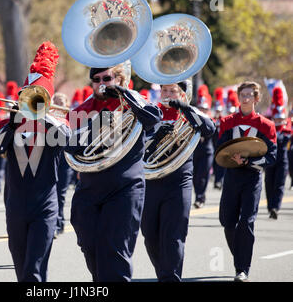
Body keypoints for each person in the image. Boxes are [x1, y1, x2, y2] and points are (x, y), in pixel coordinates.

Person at [64, 64, 162, 282]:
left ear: (117, 79)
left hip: (125, 188)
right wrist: (98, 127)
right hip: (90, 188)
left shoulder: (132, 102)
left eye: (106, 78)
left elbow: (153, 119)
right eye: (96, 80)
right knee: (90, 247)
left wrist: (125, 94)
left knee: (116, 250)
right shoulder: (82, 110)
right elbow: (70, 145)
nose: (101, 84)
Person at [0, 42, 70, 282]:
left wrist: (44, 115)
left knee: (34, 271)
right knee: (22, 271)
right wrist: (11, 124)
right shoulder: (10, 125)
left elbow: (67, 139)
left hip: (44, 207)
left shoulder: (57, 124)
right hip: (16, 206)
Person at [140, 80, 215, 282]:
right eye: (164, 90)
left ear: (182, 93)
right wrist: (155, 138)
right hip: (151, 180)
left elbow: (209, 129)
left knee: (173, 235)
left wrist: (184, 108)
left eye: (173, 91)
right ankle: (165, 273)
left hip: (178, 181)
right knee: (150, 235)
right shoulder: (151, 112)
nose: (167, 94)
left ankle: (170, 277)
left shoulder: (189, 113)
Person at [217, 81, 277, 282]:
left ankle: (242, 268)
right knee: (227, 222)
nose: (245, 98)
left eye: (250, 95)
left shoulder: (266, 125)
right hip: (231, 177)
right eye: (242, 94)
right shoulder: (226, 122)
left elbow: (272, 156)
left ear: (256, 98)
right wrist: (231, 158)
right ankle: (241, 256)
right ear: (238, 96)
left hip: (252, 177)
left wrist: (249, 161)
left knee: (246, 221)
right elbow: (219, 150)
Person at [264, 87, 291, 220]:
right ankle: (270, 206)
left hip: (283, 161)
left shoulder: (287, 130)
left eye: (281, 119)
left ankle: (276, 207)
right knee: (269, 184)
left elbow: (285, 139)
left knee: (279, 185)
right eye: (277, 119)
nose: (279, 122)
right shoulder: (270, 130)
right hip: (270, 160)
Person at [51, 92, 73, 237]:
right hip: (52, 160)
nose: (57, 106)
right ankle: (54, 223)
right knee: (52, 193)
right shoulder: (49, 118)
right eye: (55, 102)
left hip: (65, 161)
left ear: (66, 105)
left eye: (60, 103)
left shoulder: (72, 119)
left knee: (60, 194)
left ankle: (59, 223)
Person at [192, 85, 214, 208]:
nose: (202, 110)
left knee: (203, 175)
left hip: (207, 152)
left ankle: (200, 197)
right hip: (195, 151)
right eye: (200, 108)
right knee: (195, 176)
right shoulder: (194, 120)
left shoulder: (211, 121)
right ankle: (199, 196)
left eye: (204, 108)